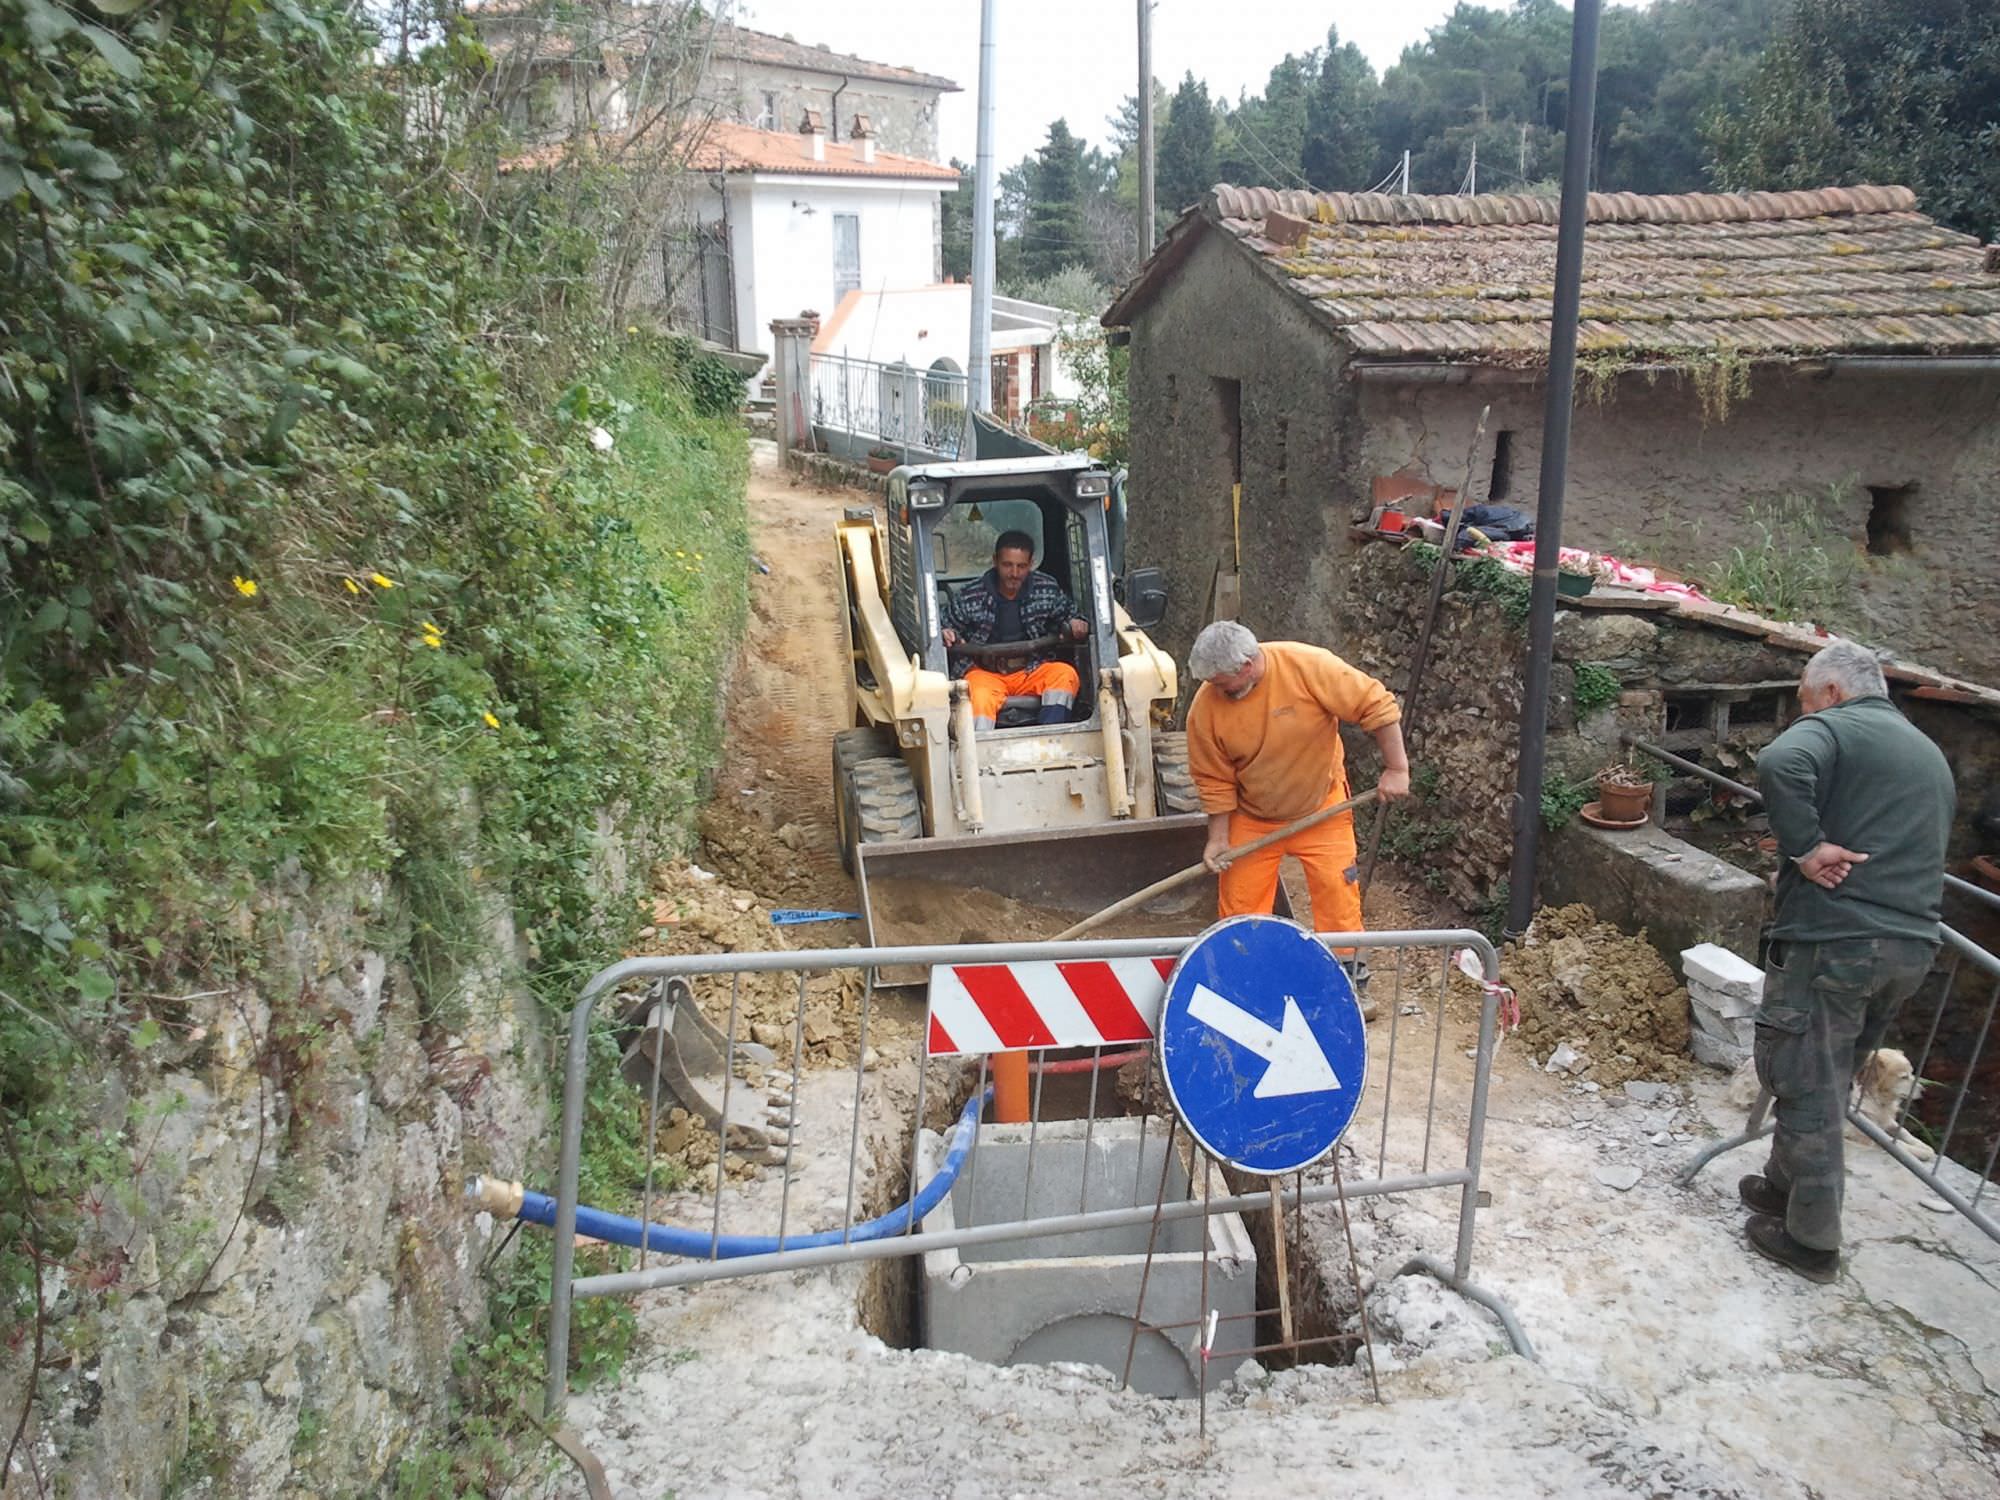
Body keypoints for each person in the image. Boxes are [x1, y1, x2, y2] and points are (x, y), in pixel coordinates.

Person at [1742, 639, 1955, 1283]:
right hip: (1909, 948)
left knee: (1808, 1079)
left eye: (1805, 703)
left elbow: (1780, 761)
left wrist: (1805, 848)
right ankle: (1785, 1188)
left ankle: (1811, 1241)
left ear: (1832, 693)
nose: (1802, 716)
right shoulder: (1926, 751)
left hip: (1841, 943)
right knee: (1828, 1074)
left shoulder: (1834, 728)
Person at [1184, 621, 1410, 963]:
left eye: (1219, 682)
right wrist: (1219, 838)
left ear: (1246, 666)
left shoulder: (1308, 666)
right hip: (1252, 815)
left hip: (1322, 808)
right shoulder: (1206, 708)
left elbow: (1376, 705)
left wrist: (1396, 769)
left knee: (1338, 898)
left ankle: (1348, 979)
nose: (1213, 689)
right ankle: (1244, 980)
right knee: (1239, 908)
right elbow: (1213, 778)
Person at [941, 531, 1089, 730]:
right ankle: (980, 752)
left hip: (1031, 669)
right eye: (1007, 565)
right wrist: (946, 632)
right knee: (977, 695)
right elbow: (943, 625)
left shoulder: (1047, 589)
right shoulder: (970, 596)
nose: (1014, 573)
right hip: (985, 673)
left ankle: (1052, 738)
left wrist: (1077, 624)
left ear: (1031, 564)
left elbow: (1071, 616)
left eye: (1021, 566)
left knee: (1064, 674)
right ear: (995, 561)